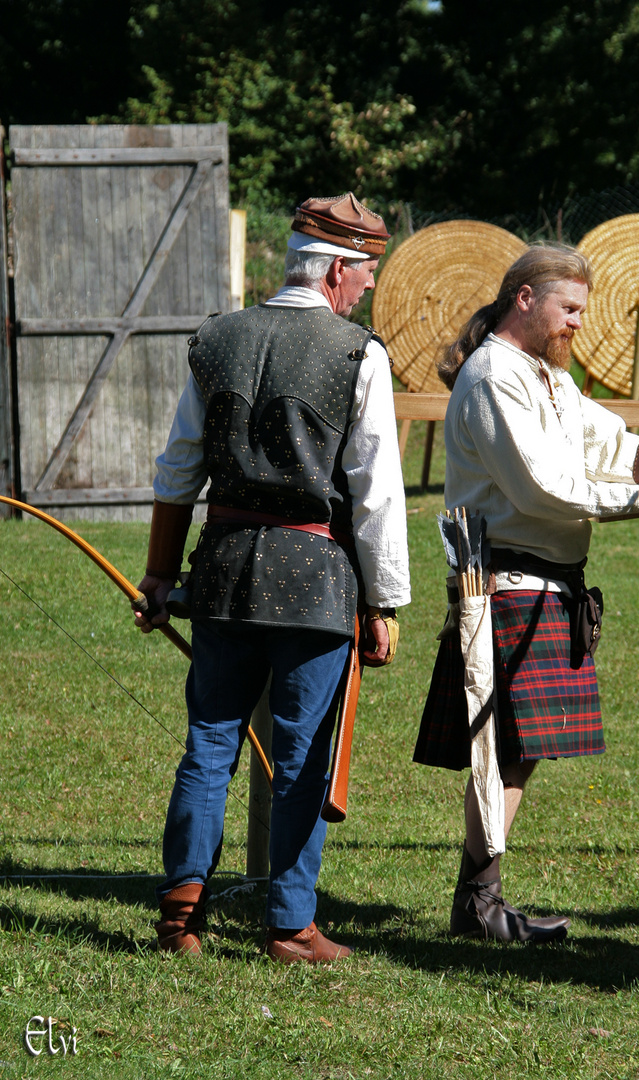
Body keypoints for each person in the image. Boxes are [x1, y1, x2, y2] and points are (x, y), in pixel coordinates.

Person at [414, 243, 639, 943]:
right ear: (525, 298)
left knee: (517, 748)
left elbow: (616, 444)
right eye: (569, 309)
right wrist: (638, 502)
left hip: (545, 580)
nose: (577, 324)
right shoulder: (492, 377)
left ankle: (478, 900)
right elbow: (536, 486)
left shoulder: (548, 377)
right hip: (504, 578)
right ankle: (477, 903)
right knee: (501, 747)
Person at [134, 192, 411, 964]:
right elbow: (377, 487)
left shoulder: (216, 338)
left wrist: (160, 576)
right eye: (364, 276)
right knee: (299, 756)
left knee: (209, 745)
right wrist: (383, 600)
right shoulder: (359, 352)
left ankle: (179, 919)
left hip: (220, 570)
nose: (365, 291)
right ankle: (290, 927)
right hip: (315, 578)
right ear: (335, 273)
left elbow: (176, 470)